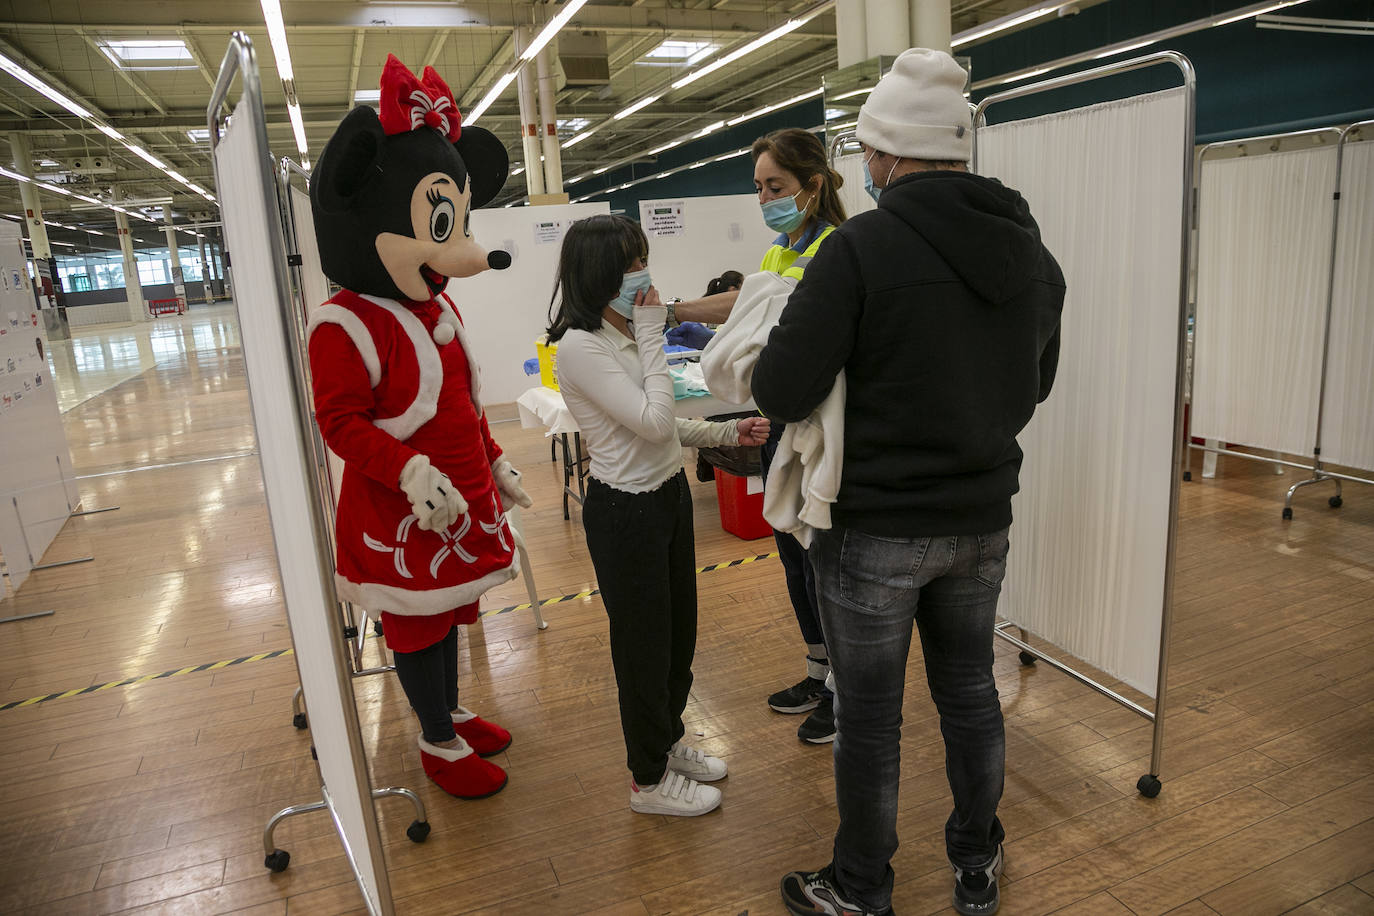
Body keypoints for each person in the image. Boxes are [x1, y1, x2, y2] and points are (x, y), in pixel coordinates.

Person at [755, 49, 1065, 916]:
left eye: (869, 151)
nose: (866, 165)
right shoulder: (1033, 255)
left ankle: (862, 888)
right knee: (970, 693)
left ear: (887, 156)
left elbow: (781, 388)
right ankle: (977, 860)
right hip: (982, 518)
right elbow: (1032, 386)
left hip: (875, 531)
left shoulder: (861, 248)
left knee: (871, 716)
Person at [548, 214, 771, 817]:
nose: (641, 273)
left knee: (678, 641)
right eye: (628, 263)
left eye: (642, 257)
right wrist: (652, 334)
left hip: (667, 495)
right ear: (598, 275)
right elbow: (649, 420)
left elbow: (662, 430)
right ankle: (647, 779)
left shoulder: (625, 337)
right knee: (643, 650)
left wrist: (727, 429)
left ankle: (668, 742)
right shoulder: (582, 346)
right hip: (626, 513)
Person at [751, 127, 848, 745]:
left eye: (776, 187)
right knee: (791, 555)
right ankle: (817, 668)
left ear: (813, 185)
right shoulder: (777, 252)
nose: (765, 199)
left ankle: (843, 687)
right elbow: (752, 313)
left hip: (818, 426)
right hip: (778, 420)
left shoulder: (840, 249)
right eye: (758, 188)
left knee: (822, 561)